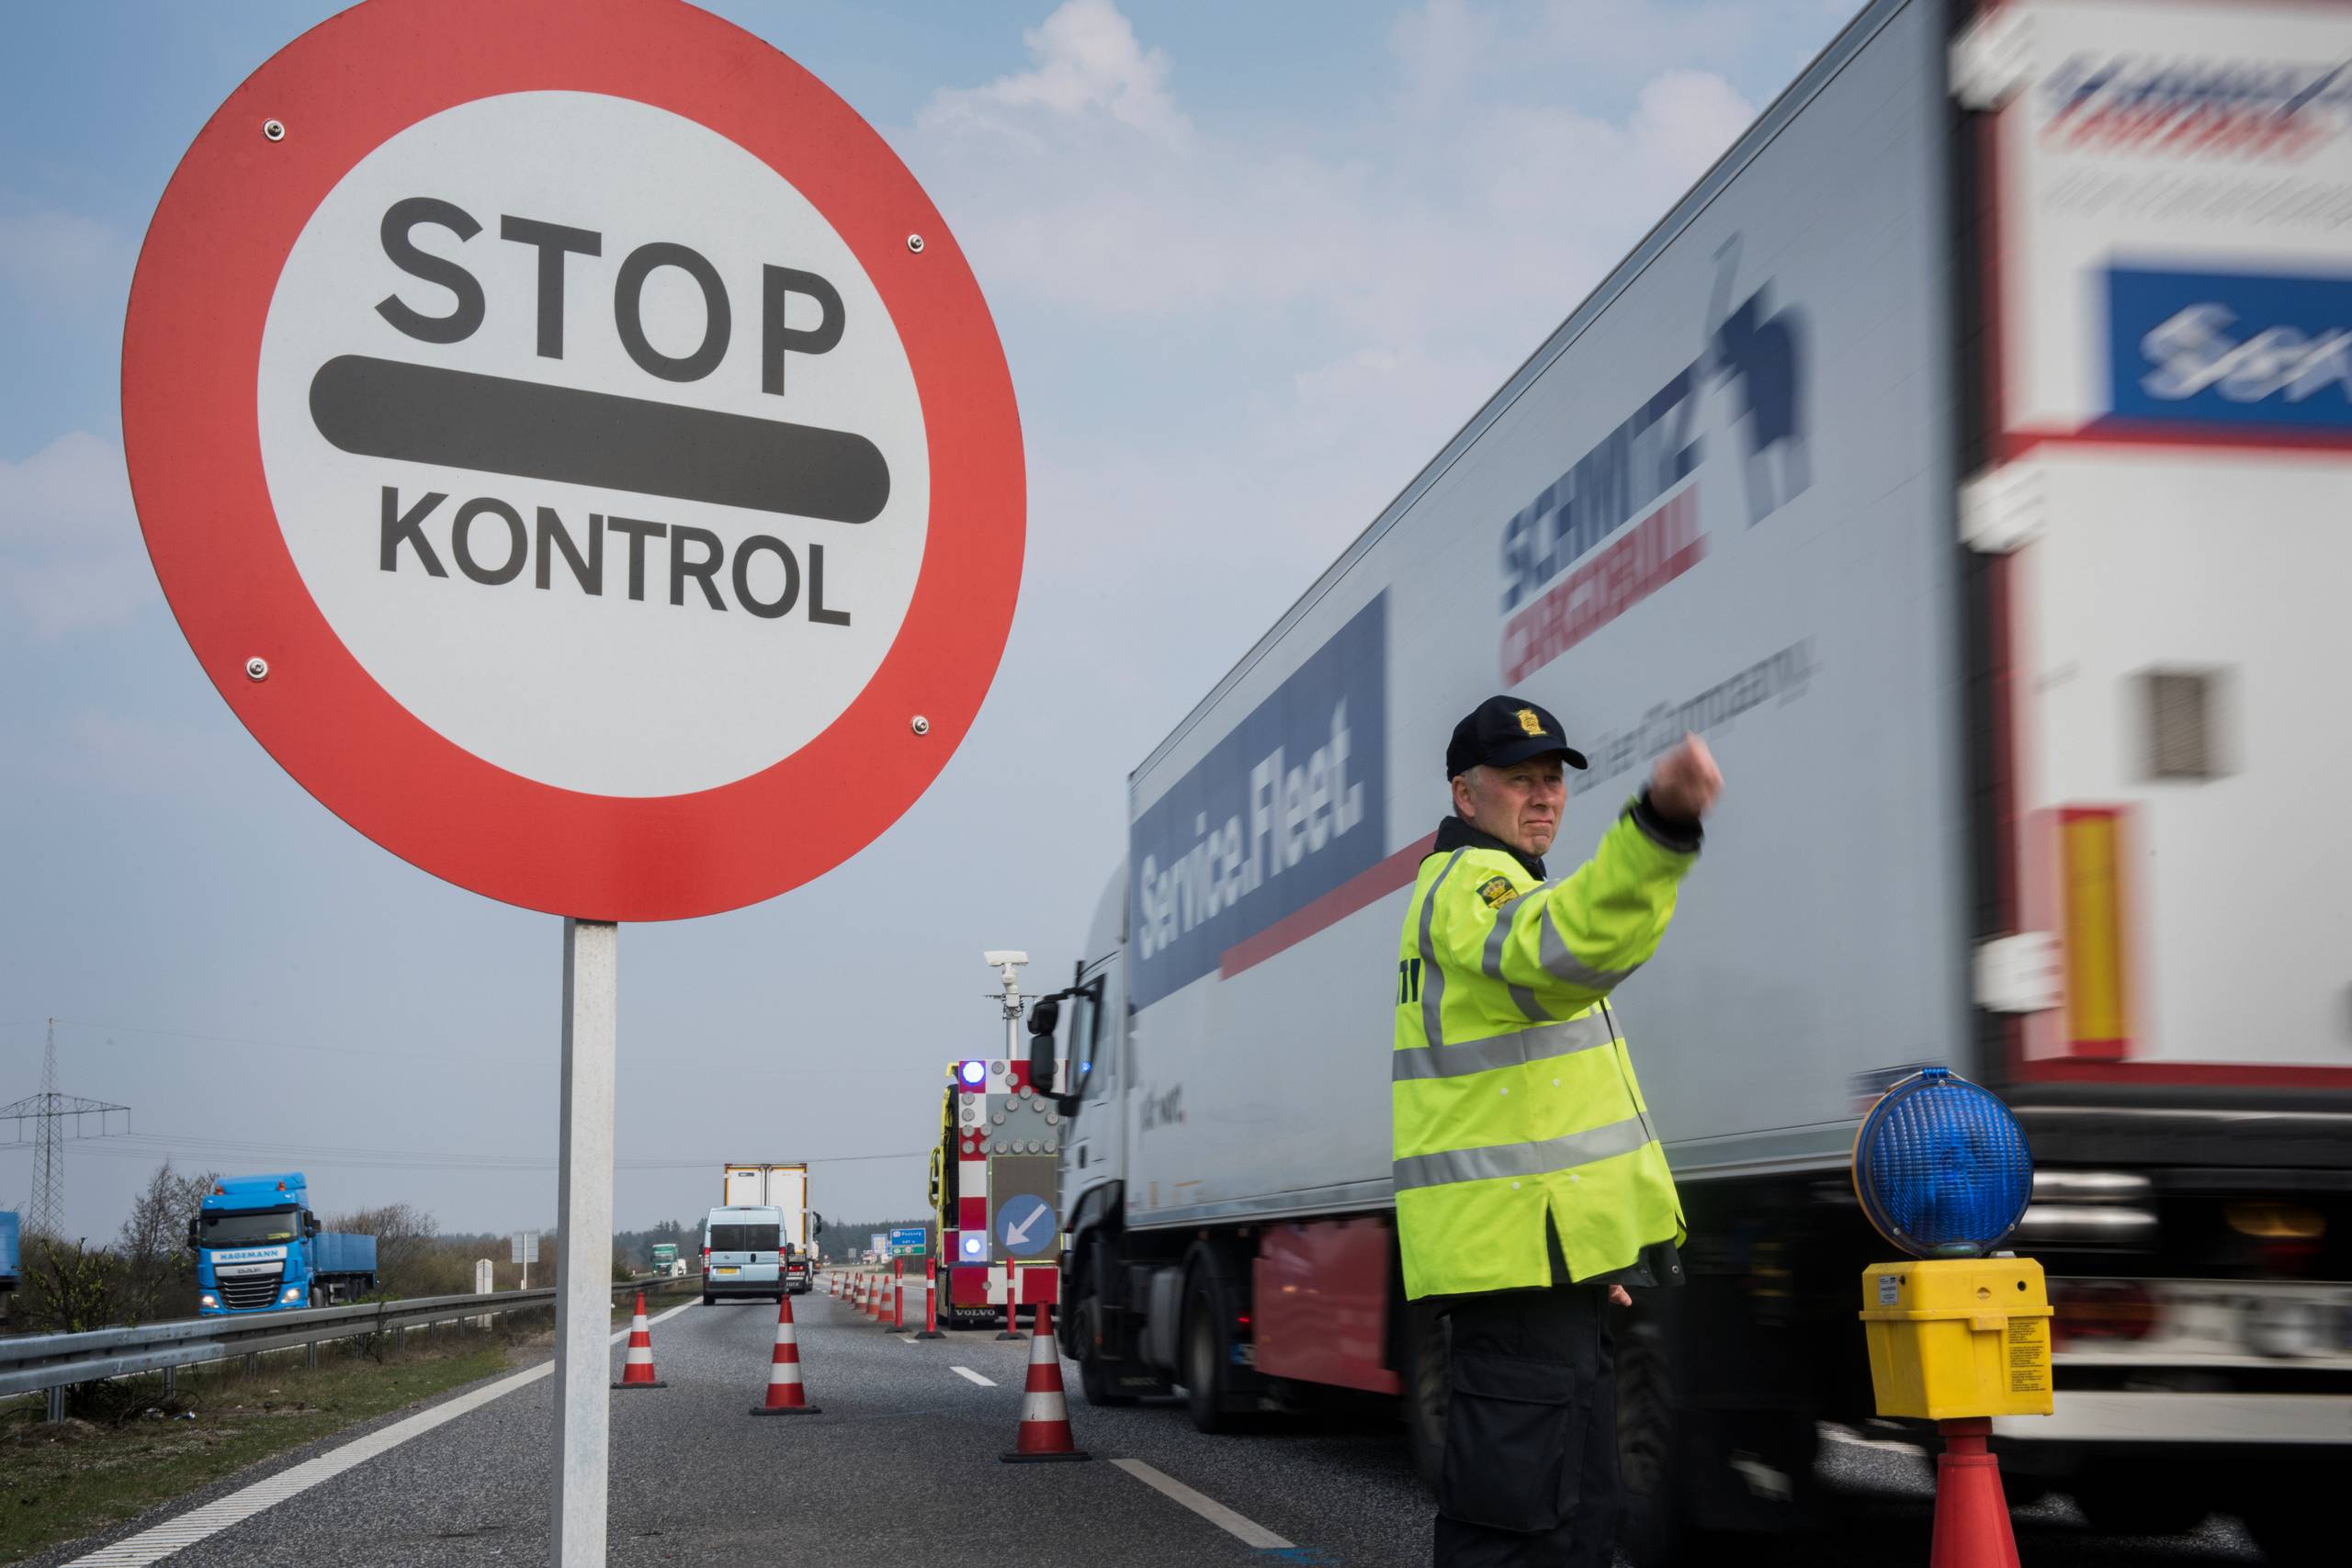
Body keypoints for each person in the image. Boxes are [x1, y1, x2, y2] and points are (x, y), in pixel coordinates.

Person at [1394, 695, 1722, 1567]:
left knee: (1574, 1518)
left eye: (1552, 780)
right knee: (1514, 1531)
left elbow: (1538, 1108)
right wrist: (1657, 828)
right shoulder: (1473, 888)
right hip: (1513, 1267)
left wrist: (1590, 1254)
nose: (1542, 797)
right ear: (1466, 795)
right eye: (1518, 781)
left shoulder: (1504, 890)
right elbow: (1565, 947)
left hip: (1545, 1266)